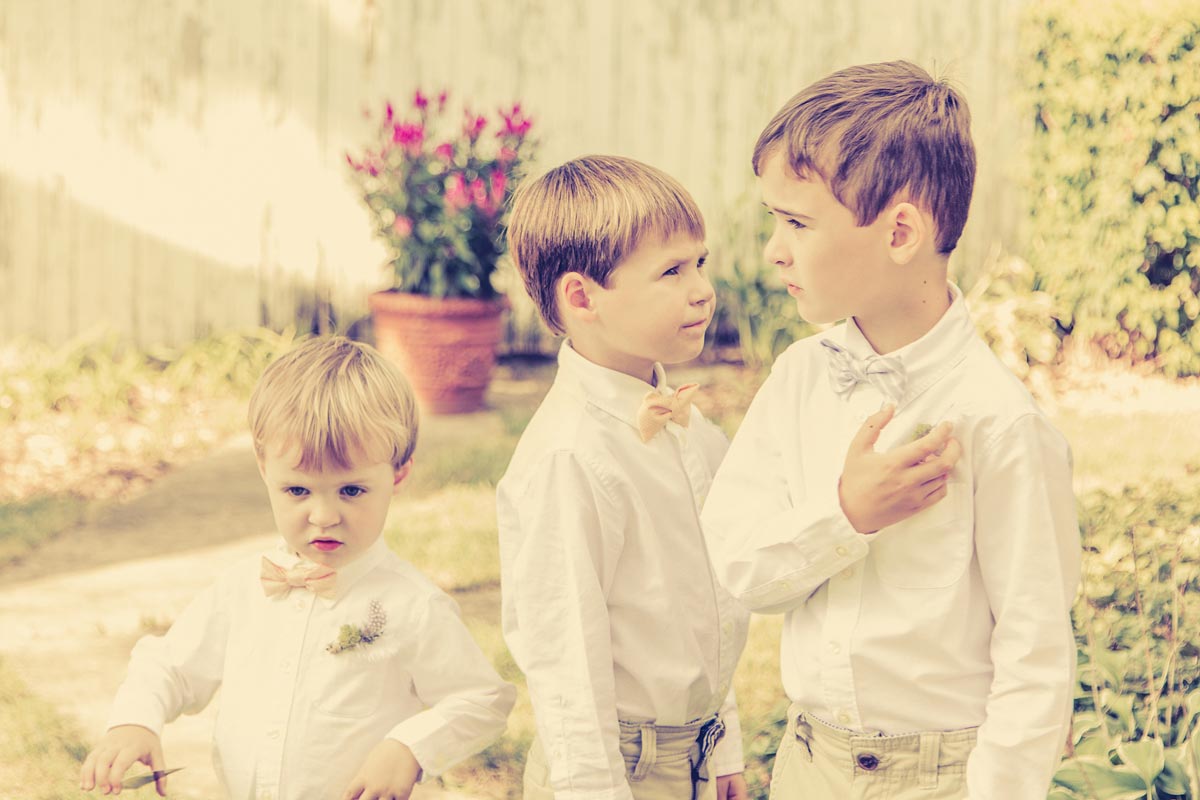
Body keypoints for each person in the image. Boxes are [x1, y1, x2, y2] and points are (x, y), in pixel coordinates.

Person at [701, 61, 1080, 800]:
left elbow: (1035, 652)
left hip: (941, 780)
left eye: (797, 224)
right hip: (808, 768)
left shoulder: (998, 422)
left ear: (901, 230)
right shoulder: (800, 378)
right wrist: (844, 517)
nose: (774, 250)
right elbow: (737, 565)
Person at [80, 336, 515, 800]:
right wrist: (134, 721)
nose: (324, 515)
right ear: (265, 468)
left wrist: (410, 747)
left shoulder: (410, 606)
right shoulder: (244, 588)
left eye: (351, 491)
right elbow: (169, 666)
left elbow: (482, 699)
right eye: (298, 491)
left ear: (398, 475)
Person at [497, 154, 750, 800]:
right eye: (671, 271)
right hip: (617, 770)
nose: (701, 289)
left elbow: (709, 611)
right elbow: (564, 663)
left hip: (689, 752)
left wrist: (723, 745)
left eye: (700, 263)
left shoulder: (690, 428)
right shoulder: (570, 457)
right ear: (582, 297)